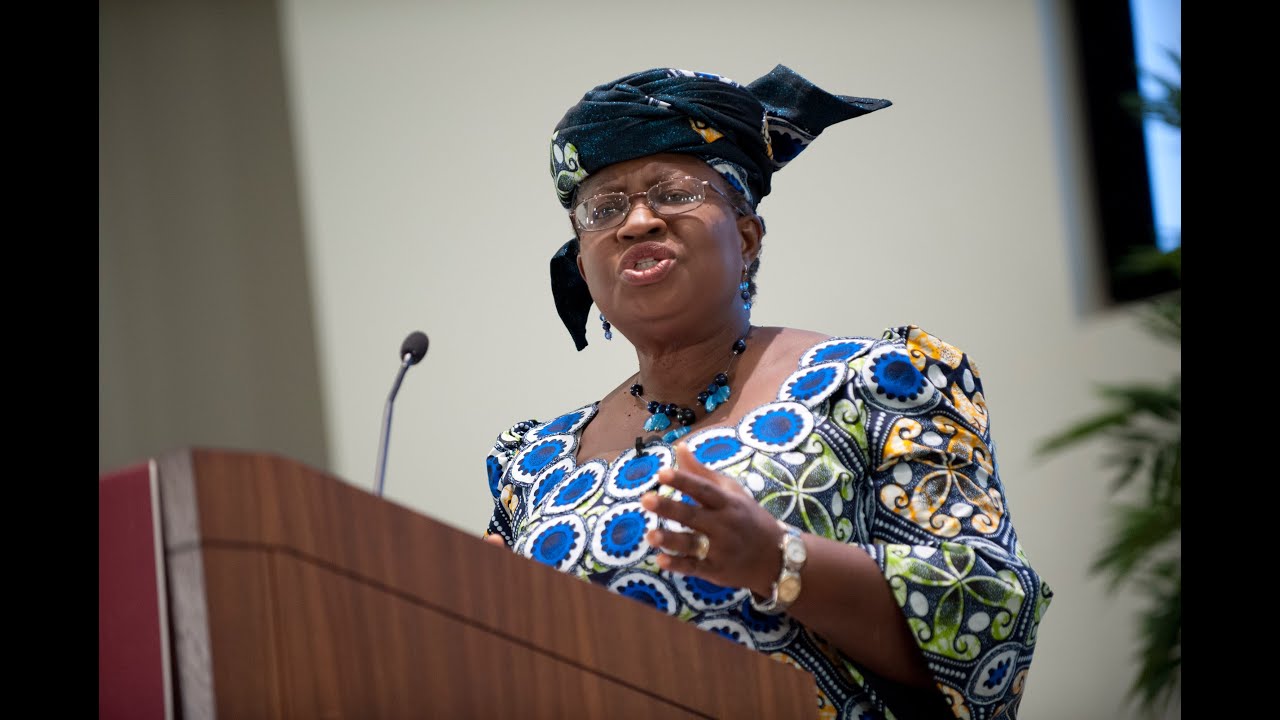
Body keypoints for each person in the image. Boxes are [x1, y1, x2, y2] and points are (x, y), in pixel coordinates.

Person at [481, 65, 1052, 720]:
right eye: (604, 209)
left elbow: (987, 618)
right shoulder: (532, 464)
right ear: (584, 266)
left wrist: (777, 559)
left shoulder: (880, 381)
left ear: (746, 236)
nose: (637, 222)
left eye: (671, 193)